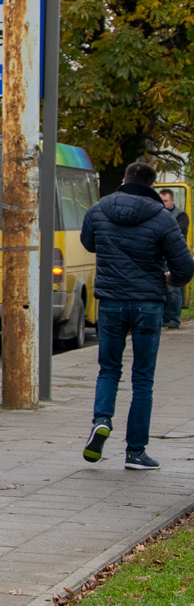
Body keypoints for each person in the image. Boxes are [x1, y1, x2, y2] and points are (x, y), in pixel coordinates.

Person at [80, 162, 194, 469]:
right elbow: (185, 267)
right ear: (153, 186)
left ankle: (101, 421)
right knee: (143, 378)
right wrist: (169, 279)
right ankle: (135, 452)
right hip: (148, 304)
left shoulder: (99, 209)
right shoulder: (162, 218)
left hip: (111, 303)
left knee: (109, 369)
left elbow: (88, 242)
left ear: (125, 180)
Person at [158, 188, 189, 330]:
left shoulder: (180, 215)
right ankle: (164, 318)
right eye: (161, 201)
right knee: (162, 288)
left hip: (174, 256)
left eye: (165, 201)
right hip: (160, 256)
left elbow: (180, 233)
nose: (163, 203)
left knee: (174, 288)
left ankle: (173, 319)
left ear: (172, 201)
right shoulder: (158, 214)